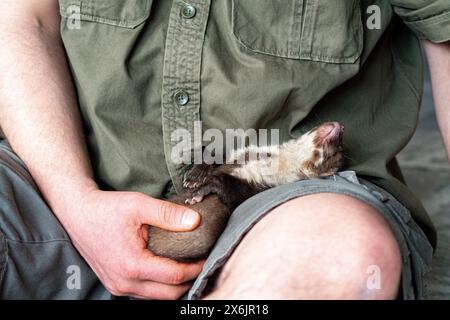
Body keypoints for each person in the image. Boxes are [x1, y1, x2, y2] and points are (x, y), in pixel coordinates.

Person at [0, 0, 448, 300]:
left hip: (291, 205)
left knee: (342, 256)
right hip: (57, 176)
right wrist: (73, 196)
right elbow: (23, 21)